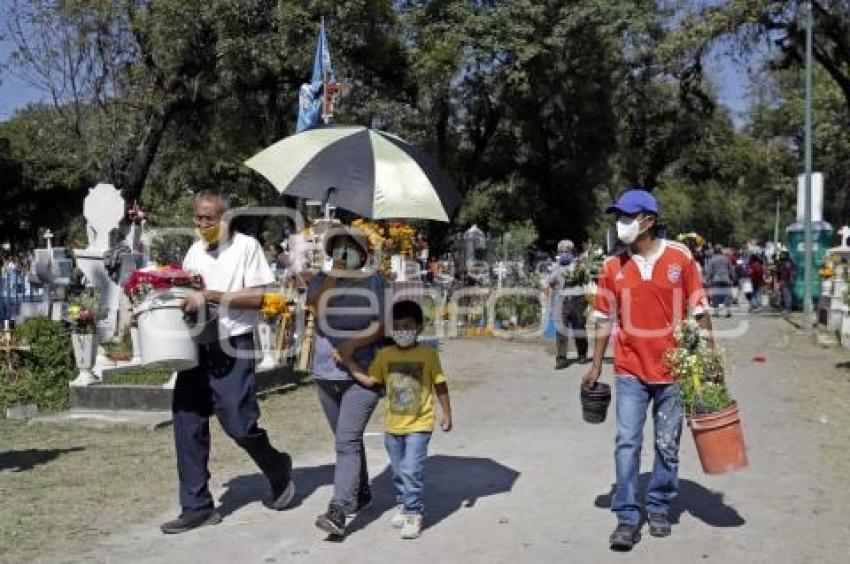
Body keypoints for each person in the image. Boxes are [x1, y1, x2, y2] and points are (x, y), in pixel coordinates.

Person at [582, 188, 713, 551]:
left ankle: (658, 505)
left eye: (628, 216)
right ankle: (627, 515)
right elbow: (603, 318)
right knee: (627, 442)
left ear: (649, 221)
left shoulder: (680, 258)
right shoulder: (612, 267)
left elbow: (699, 312)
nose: (621, 224)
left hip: (674, 370)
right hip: (629, 370)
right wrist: (595, 365)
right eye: (619, 217)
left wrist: (709, 361)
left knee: (666, 444)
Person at [161, 191, 295, 535]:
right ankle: (197, 506)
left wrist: (211, 296)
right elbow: (185, 295)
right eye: (197, 217)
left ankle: (277, 466)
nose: (200, 224)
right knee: (186, 421)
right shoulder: (194, 251)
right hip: (198, 345)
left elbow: (260, 298)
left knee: (239, 424)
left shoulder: (246, 247)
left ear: (226, 219)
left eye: (208, 218)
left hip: (234, 345)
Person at [340, 300, 452, 539]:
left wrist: (447, 414)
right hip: (393, 427)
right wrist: (348, 361)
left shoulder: (428, 356)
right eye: (398, 327)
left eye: (408, 326)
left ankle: (414, 513)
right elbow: (371, 381)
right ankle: (403, 503)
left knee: (412, 470)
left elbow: (440, 385)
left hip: (420, 425)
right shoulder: (384, 355)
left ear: (419, 327)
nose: (403, 331)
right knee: (399, 471)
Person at [307, 227, 387, 537]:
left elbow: (383, 324)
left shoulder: (376, 282)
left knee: (347, 440)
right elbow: (315, 307)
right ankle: (362, 492)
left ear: (363, 252)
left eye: (349, 247)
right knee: (346, 439)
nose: (343, 252)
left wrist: (353, 345)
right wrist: (332, 276)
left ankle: (339, 510)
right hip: (326, 372)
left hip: (362, 373)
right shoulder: (321, 279)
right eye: (337, 247)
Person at [548, 239, 589, 369]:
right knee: (561, 330)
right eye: (562, 251)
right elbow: (551, 284)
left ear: (572, 252)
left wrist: (581, 266)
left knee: (579, 327)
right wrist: (551, 304)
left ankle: (582, 354)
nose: (564, 253)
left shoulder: (578, 265)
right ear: (558, 252)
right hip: (562, 300)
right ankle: (561, 358)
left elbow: (587, 279)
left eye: (567, 250)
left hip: (578, 299)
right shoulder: (555, 266)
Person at [705, 244, 733, 318]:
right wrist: (732, 277)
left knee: (716, 296)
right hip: (726, 279)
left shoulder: (712, 260)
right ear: (721, 251)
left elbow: (709, 271)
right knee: (727, 295)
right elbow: (731, 269)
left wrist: (707, 279)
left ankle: (716, 313)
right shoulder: (726, 259)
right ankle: (728, 312)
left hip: (716, 279)